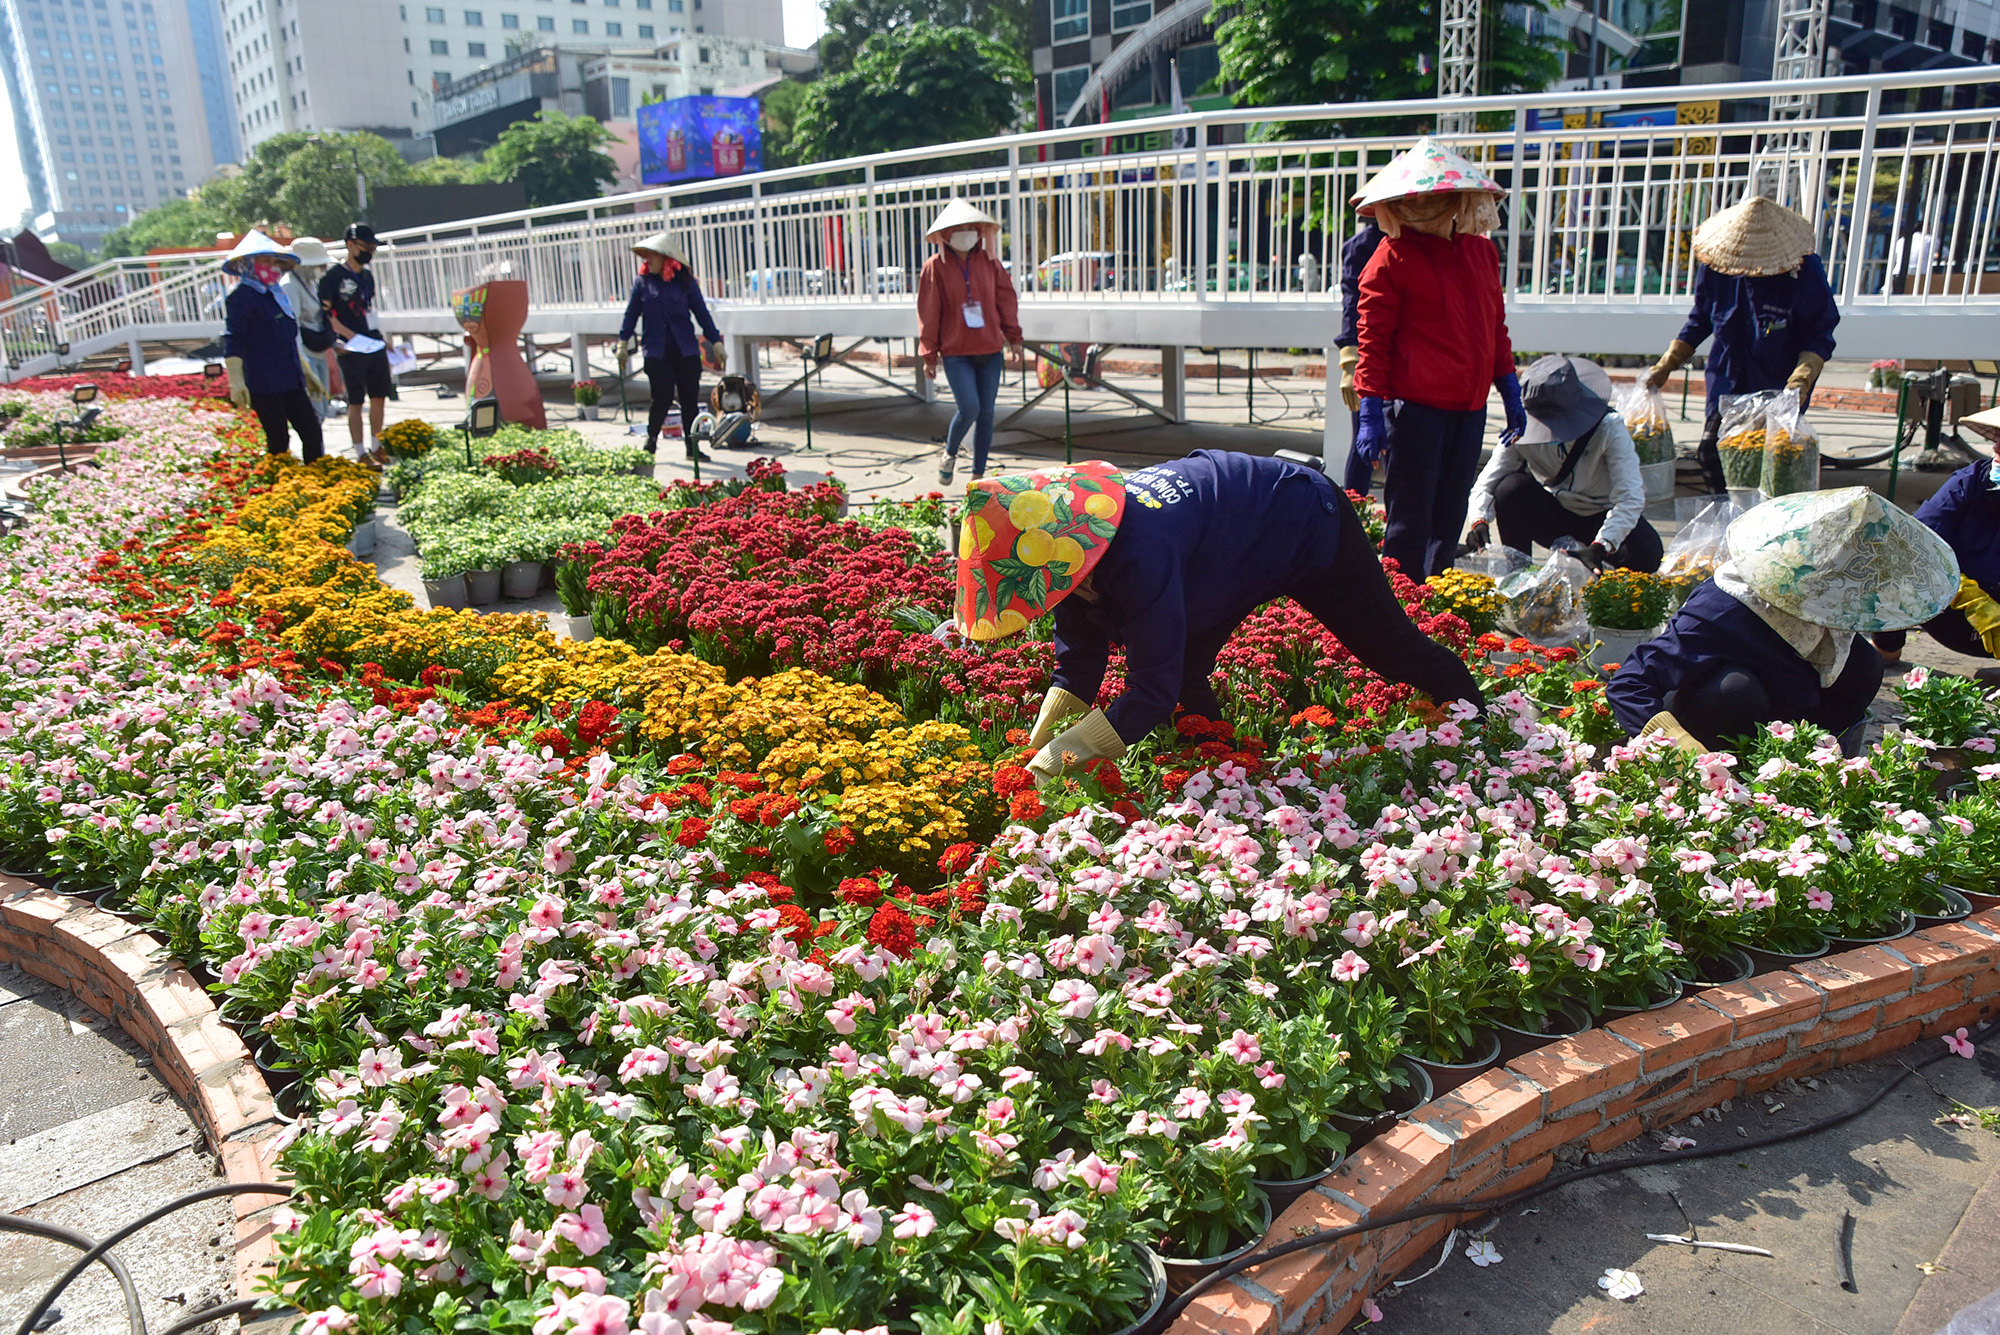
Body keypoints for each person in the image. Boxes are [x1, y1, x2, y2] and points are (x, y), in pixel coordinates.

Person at [951, 452, 1485, 782]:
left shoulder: (1137, 552)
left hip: (1303, 522)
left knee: (1388, 648)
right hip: (1223, 554)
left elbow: (1148, 692)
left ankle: (1480, 726)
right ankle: (1227, 767)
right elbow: (1079, 663)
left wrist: (1065, 757)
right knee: (1184, 673)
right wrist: (1039, 742)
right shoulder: (1069, 551)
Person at [1607, 487, 1958, 753]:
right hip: (1717, 716)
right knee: (1736, 691)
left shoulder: (1832, 616)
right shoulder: (1728, 604)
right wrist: (1681, 747)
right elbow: (1631, 682)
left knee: (1863, 665)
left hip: (1787, 711)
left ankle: (1800, 765)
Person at [1351, 137, 1522, 579]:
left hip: (1470, 409)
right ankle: (1398, 611)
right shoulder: (1389, 259)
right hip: (1417, 412)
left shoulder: (1482, 252)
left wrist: (1509, 388)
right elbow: (1373, 341)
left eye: (1435, 197)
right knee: (1409, 519)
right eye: (1417, 199)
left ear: (1456, 199)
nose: (1425, 206)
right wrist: (1370, 408)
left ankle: (1436, 607)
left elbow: (1494, 328)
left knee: (1450, 515)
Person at [1642, 197, 1839, 498]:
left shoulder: (1803, 270)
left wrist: (1800, 381)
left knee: (1768, 465)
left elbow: (1820, 333)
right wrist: (1667, 364)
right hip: (1726, 379)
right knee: (1712, 453)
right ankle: (1726, 520)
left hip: (1778, 384)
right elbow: (1701, 319)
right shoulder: (1717, 264)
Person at [1464, 354, 1661, 572]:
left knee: (1648, 554)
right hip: (1556, 510)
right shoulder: (1520, 429)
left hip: (1600, 512)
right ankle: (1518, 573)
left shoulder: (1609, 427)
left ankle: (1595, 565)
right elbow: (1488, 481)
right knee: (1509, 488)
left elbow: (1630, 497)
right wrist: (1479, 520)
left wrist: (1602, 545)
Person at [1874, 405, 2000, 665]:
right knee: (1894, 561)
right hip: (1951, 613)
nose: (1996, 450)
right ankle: (1886, 650)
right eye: (1997, 440)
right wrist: (1968, 595)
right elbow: (1914, 542)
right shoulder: (1970, 482)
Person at [917, 199, 1023, 487]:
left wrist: (1014, 339)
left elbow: (1005, 300)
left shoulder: (990, 263)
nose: (965, 233)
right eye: (958, 229)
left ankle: (978, 476)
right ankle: (950, 453)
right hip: (956, 353)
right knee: (970, 408)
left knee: (987, 414)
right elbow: (929, 312)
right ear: (945, 235)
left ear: (979, 231)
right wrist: (929, 353)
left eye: (970, 228)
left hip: (990, 350)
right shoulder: (935, 268)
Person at [616, 231, 724, 462]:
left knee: (689, 400)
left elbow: (701, 314)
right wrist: (623, 341)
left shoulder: (685, 283)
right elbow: (631, 314)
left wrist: (715, 341)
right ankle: (651, 441)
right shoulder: (643, 283)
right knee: (661, 398)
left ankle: (691, 447)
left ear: (666, 258)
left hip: (685, 350)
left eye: (651, 257)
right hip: (657, 351)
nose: (647, 261)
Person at [221, 231, 323, 464]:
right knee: (278, 440)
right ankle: (280, 488)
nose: (272, 267)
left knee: (312, 432)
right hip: (264, 381)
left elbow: (286, 338)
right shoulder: (242, 297)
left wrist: (306, 372)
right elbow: (233, 338)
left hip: (291, 378)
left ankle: (318, 480)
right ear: (249, 264)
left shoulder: (277, 294)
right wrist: (236, 380)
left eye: (274, 261)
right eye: (265, 261)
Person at [319, 223, 393, 465]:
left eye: (373, 248)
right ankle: (360, 450)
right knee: (356, 400)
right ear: (350, 245)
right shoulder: (332, 277)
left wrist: (381, 338)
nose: (370, 252)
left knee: (380, 395)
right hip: (351, 348)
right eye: (366, 246)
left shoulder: (367, 276)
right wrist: (350, 337)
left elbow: (370, 310)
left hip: (373, 343)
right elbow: (327, 316)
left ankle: (376, 444)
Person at [1333, 217, 1385, 496]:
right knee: (1364, 443)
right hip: (1371, 355)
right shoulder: (1363, 246)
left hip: (1411, 357)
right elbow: (1352, 307)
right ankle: (1353, 516)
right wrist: (1349, 363)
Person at [283, 235, 336, 423]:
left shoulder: (311, 283)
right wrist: (303, 363)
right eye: (320, 265)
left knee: (323, 404)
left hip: (319, 351)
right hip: (306, 354)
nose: (323, 269)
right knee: (315, 410)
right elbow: (293, 326)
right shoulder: (290, 286)